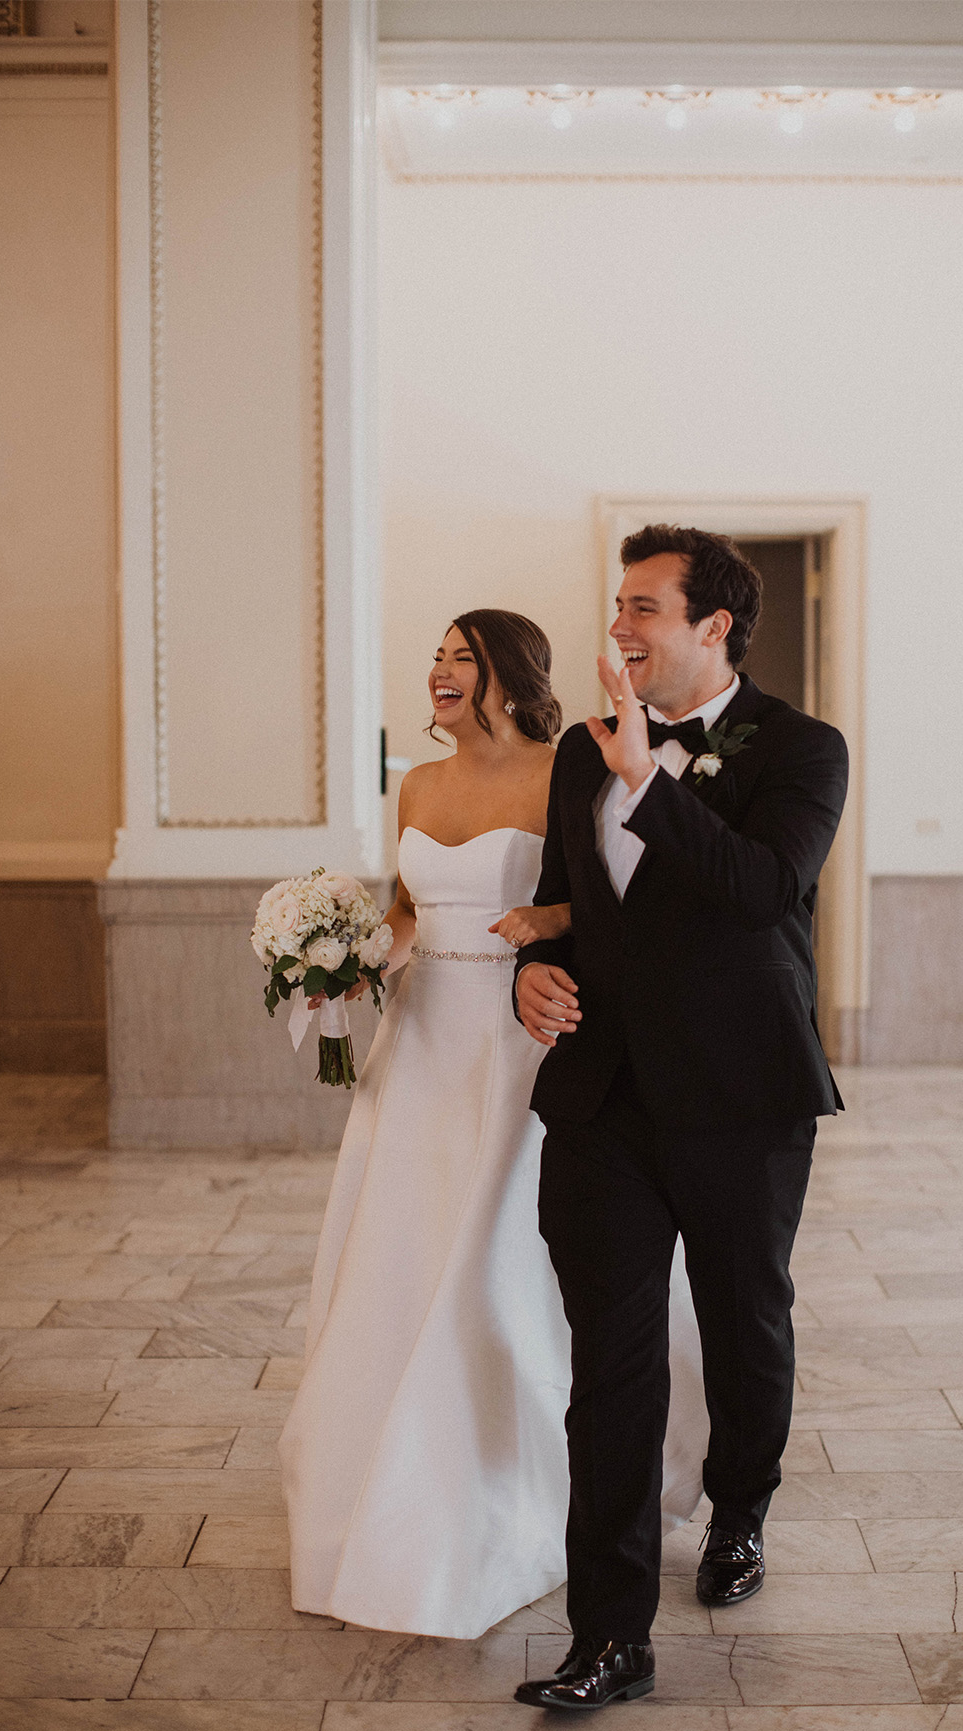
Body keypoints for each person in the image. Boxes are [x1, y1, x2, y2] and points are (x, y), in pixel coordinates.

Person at [279, 608, 706, 1638]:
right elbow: (415, 912)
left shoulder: (559, 769)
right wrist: (338, 961)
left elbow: (601, 895)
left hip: (517, 1042)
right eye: (435, 657)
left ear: (509, 675)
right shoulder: (415, 788)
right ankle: (388, 1470)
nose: (440, 673)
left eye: (461, 659)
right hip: (420, 1048)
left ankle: (520, 1486)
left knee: (495, 1264)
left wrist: (543, 922)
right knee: (400, 1257)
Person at [511, 526, 849, 1710]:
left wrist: (651, 777)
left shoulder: (802, 749)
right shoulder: (576, 755)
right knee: (609, 1365)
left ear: (714, 626)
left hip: (742, 1099)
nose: (620, 628)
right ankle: (610, 1635)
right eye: (618, 605)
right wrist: (527, 978)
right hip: (603, 1101)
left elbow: (763, 889)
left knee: (744, 1321)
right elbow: (565, 905)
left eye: (645, 608)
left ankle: (739, 1509)